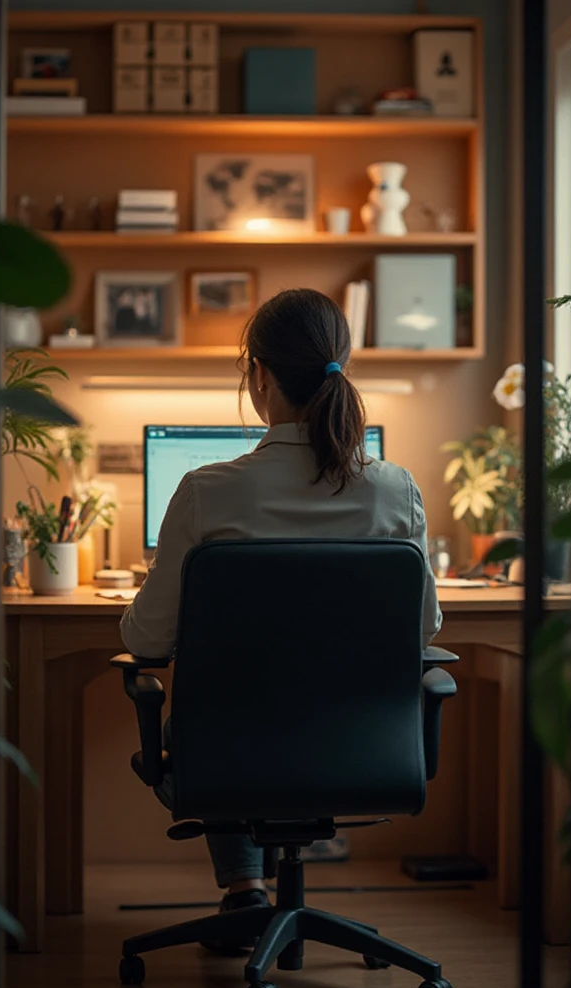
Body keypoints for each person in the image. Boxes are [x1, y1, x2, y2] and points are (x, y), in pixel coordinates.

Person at [120, 288, 442, 949]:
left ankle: (245, 890)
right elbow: (423, 631)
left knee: (218, 711)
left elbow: (146, 639)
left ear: (259, 375)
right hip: (364, 747)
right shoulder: (397, 489)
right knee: (246, 710)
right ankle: (248, 890)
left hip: (230, 753)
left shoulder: (208, 491)